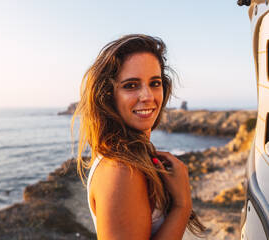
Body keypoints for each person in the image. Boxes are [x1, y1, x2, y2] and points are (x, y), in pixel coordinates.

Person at [72, 34, 205, 239]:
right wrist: (182, 205)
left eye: (155, 83)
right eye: (131, 85)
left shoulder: (131, 159)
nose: (148, 96)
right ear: (108, 95)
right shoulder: (121, 170)